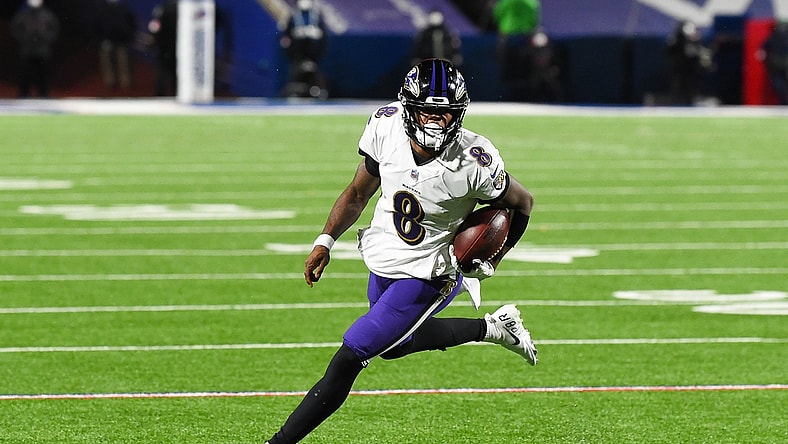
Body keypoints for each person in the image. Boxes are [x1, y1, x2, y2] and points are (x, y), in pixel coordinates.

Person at [264, 58, 538, 444]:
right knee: (395, 346)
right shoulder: (385, 125)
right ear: (409, 109)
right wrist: (325, 240)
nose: (435, 122)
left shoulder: (475, 160)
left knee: (351, 355)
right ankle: (492, 328)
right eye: (428, 111)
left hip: (431, 270)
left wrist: (494, 256)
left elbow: (522, 202)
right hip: (384, 252)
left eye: (445, 114)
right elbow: (359, 192)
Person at [491, 0, 541, 100]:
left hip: (509, 40)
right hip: (524, 40)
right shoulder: (531, 3)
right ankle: (525, 95)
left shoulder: (504, 3)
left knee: (510, 72)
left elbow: (496, 17)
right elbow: (535, 21)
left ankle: (512, 95)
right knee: (524, 71)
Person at [10, 0, 60, 98]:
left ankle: (44, 94)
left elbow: (54, 29)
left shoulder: (47, 14)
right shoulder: (23, 14)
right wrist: (24, 38)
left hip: (43, 50)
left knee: (43, 74)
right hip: (27, 49)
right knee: (25, 73)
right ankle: (24, 94)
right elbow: (15, 28)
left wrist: (45, 38)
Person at [279, 0, 328, 98]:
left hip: (313, 53)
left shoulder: (316, 15)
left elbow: (324, 36)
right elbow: (285, 37)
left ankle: (317, 89)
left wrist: (316, 33)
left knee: (315, 73)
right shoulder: (293, 16)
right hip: (297, 53)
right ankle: (294, 90)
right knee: (296, 71)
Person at [96, 0, 137, 91]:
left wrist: (128, 37)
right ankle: (110, 82)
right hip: (106, 40)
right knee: (107, 63)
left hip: (122, 40)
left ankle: (125, 83)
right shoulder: (101, 8)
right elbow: (97, 23)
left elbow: (131, 22)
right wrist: (102, 40)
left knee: (123, 62)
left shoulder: (124, 7)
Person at [666, 21, 705, 105]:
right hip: (679, 69)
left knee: (691, 87)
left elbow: (698, 53)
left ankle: (691, 102)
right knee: (678, 87)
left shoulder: (696, 40)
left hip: (690, 70)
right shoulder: (678, 39)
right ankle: (676, 103)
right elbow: (670, 52)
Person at [148, 0, 178, 96]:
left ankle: (160, 98)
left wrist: (152, 40)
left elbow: (154, 27)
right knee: (177, 75)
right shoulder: (185, 9)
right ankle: (178, 96)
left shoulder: (162, 9)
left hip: (164, 48)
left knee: (162, 75)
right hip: (179, 49)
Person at [761, 21, 788, 105]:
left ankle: (783, 101)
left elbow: (763, 51)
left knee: (778, 82)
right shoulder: (785, 36)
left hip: (775, 62)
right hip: (784, 62)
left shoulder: (773, 35)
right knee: (782, 82)